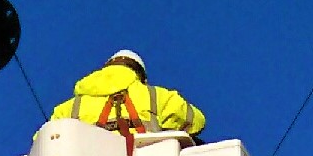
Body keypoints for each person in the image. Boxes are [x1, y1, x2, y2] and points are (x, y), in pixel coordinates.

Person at [51, 49, 205, 137]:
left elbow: (45, 142)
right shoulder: (156, 96)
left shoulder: (69, 108)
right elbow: (197, 121)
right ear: (141, 76)